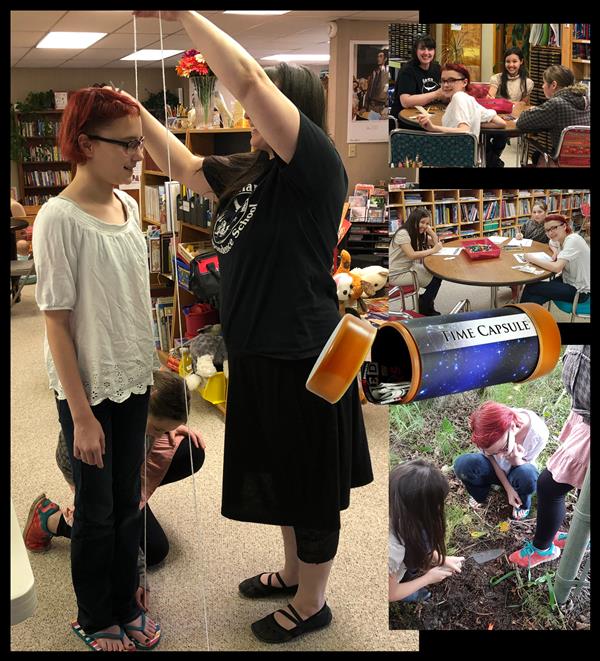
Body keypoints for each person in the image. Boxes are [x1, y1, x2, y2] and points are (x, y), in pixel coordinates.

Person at [131, 10, 373, 645]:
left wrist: (183, 15)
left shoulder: (316, 167)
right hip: (261, 351)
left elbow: (243, 79)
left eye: (264, 104)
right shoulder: (251, 170)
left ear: (291, 111)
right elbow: (184, 167)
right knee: (282, 469)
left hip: (308, 355)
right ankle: (296, 572)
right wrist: (135, 116)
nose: (247, 115)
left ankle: (314, 600)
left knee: (310, 478)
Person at [31, 86, 161, 652]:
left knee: (129, 502)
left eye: (140, 143)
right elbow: (56, 324)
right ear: (85, 144)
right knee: (98, 512)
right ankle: (93, 613)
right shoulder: (58, 219)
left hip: (132, 378)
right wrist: (81, 417)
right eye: (127, 144)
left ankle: (125, 596)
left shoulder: (129, 206)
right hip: (89, 391)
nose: (138, 155)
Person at [23, 369, 205, 608]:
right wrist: (136, 578)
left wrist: (167, 428)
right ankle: (51, 519)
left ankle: (130, 496)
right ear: (142, 407)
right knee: (151, 548)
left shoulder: (141, 406)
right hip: (92, 467)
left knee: (191, 449)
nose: (162, 434)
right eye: (159, 428)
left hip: (126, 468)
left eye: (165, 429)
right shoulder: (110, 435)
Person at [509, 345, 590, 568]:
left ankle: (542, 549)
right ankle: (582, 538)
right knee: (587, 488)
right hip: (584, 413)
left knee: (549, 486)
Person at [454, 401, 549, 520]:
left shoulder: (538, 434)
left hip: (518, 473)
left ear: (513, 427)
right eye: (494, 452)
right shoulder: (484, 429)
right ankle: (481, 494)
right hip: (493, 468)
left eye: (503, 448)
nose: (500, 456)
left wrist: (516, 461)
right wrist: (508, 488)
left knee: (527, 475)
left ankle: (522, 504)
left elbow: (527, 466)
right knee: (463, 465)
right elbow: (491, 458)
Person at [389, 459, 464, 603]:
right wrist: (428, 578)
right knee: (409, 594)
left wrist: (441, 559)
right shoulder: (391, 550)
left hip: (402, 559)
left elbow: (421, 543)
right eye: (437, 504)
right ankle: (414, 592)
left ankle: (409, 574)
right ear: (420, 508)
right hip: (392, 586)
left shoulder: (403, 512)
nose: (440, 508)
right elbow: (390, 594)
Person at [516, 65, 590, 165]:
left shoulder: (556, 104)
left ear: (553, 85)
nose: (542, 86)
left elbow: (522, 122)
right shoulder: (587, 100)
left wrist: (532, 110)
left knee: (536, 155)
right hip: (586, 160)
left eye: (544, 82)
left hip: (562, 161)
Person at [417, 63, 507, 142]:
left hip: (454, 156)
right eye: (443, 81)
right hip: (469, 156)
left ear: (464, 82)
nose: (445, 85)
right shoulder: (470, 100)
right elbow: (500, 123)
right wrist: (473, 123)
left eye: (451, 80)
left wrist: (433, 128)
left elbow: (464, 131)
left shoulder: (458, 97)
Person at [520, 214, 590, 308]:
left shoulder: (573, 240)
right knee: (533, 294)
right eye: (547, 230)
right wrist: (555, 251)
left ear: (564, 226)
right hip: (567, 280)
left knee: (531, 288)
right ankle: (527, 316)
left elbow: (557, 268)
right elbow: (551, 243)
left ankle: (522, 315)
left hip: (579, 290)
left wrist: (531, 258)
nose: (550, 233)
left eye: (554, 228)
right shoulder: (560, 238)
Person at [388, 208, 442, 315]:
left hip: (409, 267)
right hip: (397, 273)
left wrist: (430, 231)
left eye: (427, 223)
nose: (424, 226)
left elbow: (437, 244)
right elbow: (412, 255)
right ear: (414, 220)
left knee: (438, 275)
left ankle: (426, 302)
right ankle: (425, 306)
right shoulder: (403, 233)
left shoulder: (417, 232)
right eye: (422, 222)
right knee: (435, 280)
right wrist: (433, 250)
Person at [486, 47, 534, 167]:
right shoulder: (496, 78)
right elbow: (490, 96)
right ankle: (495, 163)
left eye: (514, 61)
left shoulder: (527, 82)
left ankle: (493, 162)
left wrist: (508, 104)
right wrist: (492, 98)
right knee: (484, 135)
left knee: (501, 136)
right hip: (496, 117)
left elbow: (523, 104)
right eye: (508, 61)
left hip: (513, 119)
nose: (511, 65)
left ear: (521, 62)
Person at [390, 34, 444, 124]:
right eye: (422, 49)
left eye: (430, 49)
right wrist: (436, 94)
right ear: (416, 51)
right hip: (405, 121)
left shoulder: (437, 68)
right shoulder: (407, 70)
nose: (426, 53)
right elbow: (405, 102)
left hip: (429, 117)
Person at [365, 49, 390, 114]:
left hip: (381, 105)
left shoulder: (387, 72)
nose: (378, 58)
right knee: (372, 122)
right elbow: (369, 89)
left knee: (381, 123)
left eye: (381, 56)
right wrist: (365, 106)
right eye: (378, 56)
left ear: (385, 59)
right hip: (372, 105)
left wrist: (387, 105)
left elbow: (387, 89)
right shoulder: (374, 72)